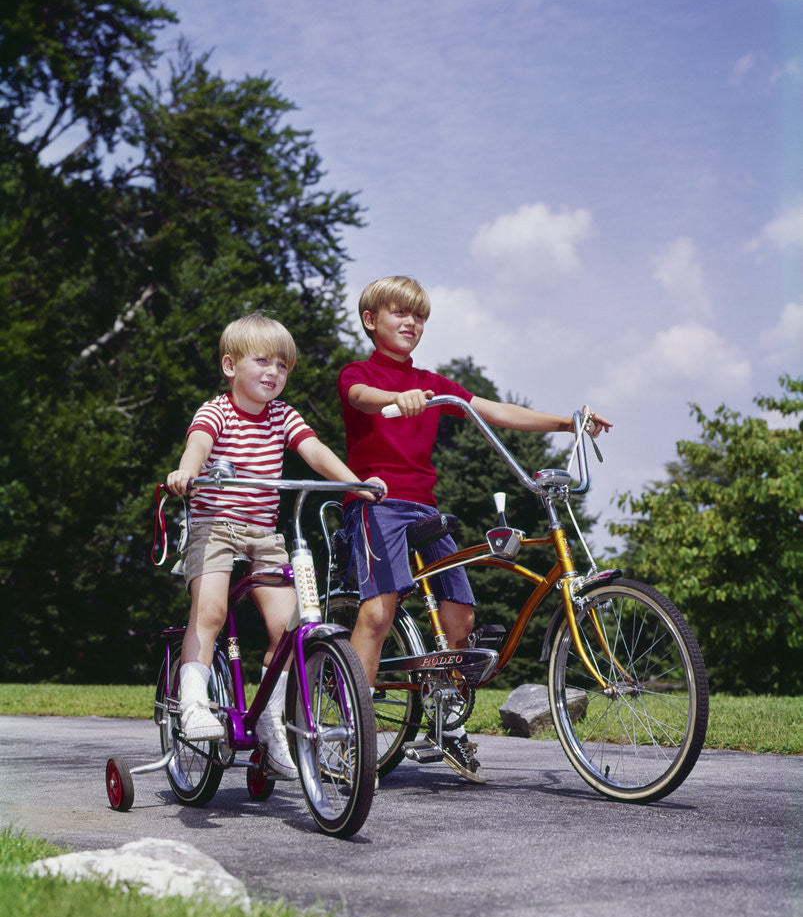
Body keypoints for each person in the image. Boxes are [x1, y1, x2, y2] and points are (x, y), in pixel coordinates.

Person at [338, 276, 611, 783]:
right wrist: (399, 398)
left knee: (460, 616)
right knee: (378, 613)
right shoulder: (360, 372)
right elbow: (360, 397)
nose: (411, 323)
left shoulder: (436, 384)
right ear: (372, 320)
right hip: (376, 503)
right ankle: (355, 732)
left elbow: (497, 411)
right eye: (400, 313)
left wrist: (567, 423)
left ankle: (445, 720)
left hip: (424, 508)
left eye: (419, 317)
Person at [167, 311, 385, 780]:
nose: (273, 372)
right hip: (215, 526)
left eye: (283, 366)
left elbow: (315, 451)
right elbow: (199, 445)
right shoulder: (217, 410)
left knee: (292, 628)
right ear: (230, 366)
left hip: (264, 535)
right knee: (210, 612)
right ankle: (193, 702)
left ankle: (272, 717)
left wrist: (355, 482)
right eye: (262, 361)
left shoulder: (284, 416)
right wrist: (187, 470)